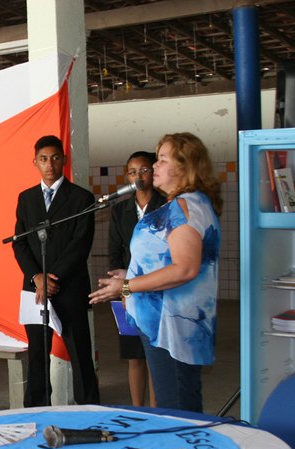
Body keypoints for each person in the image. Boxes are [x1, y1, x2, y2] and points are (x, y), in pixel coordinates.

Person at [90, 132, 221, 412]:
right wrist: (133, 271)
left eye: (162, 159)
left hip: (172, 327)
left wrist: (126, 286)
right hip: (166, 324)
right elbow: (170, 258)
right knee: (177, 403)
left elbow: (185, 268)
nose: (156, 166)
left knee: (175, 410)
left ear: (185, 168)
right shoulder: (189, 203)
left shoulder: (183, 207)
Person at [12, 135, 99, 407]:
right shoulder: (26, 198)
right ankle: (36, 409)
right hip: (35, 290)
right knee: (37, 352)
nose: (50, 164)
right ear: (35, 162)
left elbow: (80, 244)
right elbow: (20, 242)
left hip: (69, 287)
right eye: (43, 159)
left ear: (64, 160)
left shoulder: (81, 198)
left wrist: (52, 277)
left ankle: (89, 408)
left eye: (55, 158)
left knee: (80, 352)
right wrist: (36, 277)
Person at [108, 151, 166, 407]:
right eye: (132, 172)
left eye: (144, 170)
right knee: (135, 356)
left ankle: (155, 409)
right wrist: (122, 289)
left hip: (157, 290)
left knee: (156, 356)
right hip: (129, 290)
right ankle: (137, 409)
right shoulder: (120, 210)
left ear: (153, 172)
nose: (138, 176)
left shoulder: (166, 205)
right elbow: (114, 253)